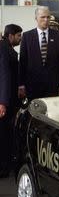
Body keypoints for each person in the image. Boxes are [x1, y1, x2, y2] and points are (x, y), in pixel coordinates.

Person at [19, 6, 59, 100]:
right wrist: (21, 84)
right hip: (33, 86)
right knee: (34, 113)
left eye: (48, 17)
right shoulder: (27, 36)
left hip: (54, 86)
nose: (46, 20)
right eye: (42, 17)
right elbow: (23, 62)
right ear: (36, 18)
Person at [0, 24, 22, 178]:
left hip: (9, 100)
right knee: (4, 135)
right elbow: (5, 77)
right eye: (18, 35)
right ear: (10, 35)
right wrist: (3, 102)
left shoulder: (8, 49)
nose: (20, 38)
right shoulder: (4, 49)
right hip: (6, 100)